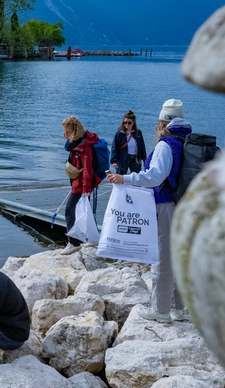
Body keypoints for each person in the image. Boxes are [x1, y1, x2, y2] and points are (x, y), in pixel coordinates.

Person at [105, 99, 190, 323]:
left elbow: (155, 176)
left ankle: (160, 311)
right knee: (178, 257)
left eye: (158, 122)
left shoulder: (166, 144)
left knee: (162, 258)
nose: (155, 127)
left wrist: (125, 179)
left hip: (165, 205)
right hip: (183, 205)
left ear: (162, 123)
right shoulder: (186, 140)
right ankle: (178, 309)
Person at [61, 116, 103, 255]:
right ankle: (87, 238)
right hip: (78, 183)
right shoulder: (76, 143)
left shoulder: (84, 147)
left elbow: (87, 169)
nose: (65, 134)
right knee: (82, 212)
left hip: (81, 185)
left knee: (69, 211)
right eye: (64, 131)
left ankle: (73, 243)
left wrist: (86, 189)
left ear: (75, 130)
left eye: (67, 132)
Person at [111, 110, 147, 175]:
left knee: (138, 177)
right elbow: (114, 148)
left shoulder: (138, 133)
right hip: (123, 158)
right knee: (120, 177)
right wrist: (114, 161)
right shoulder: (119, 134)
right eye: (125, 122)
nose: (127, 124)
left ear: (133, 123)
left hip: (135, 158)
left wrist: (145, 159)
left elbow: (142, 147)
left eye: (129, 123)